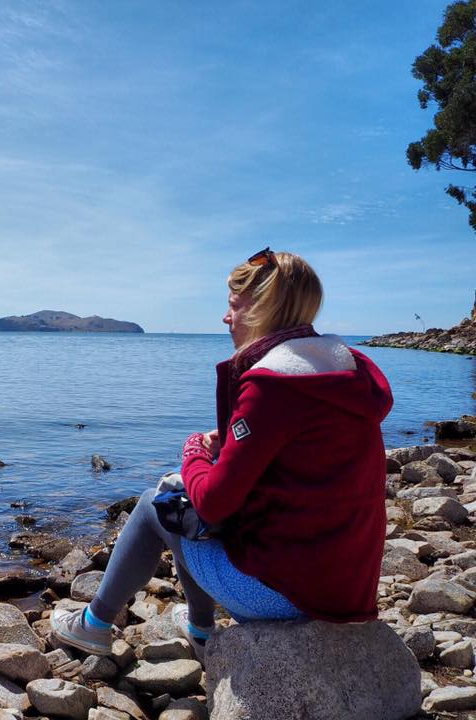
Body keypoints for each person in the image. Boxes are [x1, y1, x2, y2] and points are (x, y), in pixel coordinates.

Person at [50, 248, 393, 658]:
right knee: (188, 505)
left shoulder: (273, 384)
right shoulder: (340, 372)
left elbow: (214, 505)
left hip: (289, 601)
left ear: (265, 308)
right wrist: (235, 444)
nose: (226, 318)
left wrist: (193, 451)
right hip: (347, 589)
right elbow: (299, 465)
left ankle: (94, 625)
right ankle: (199, 629)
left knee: (158, 503)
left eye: (234, 305)